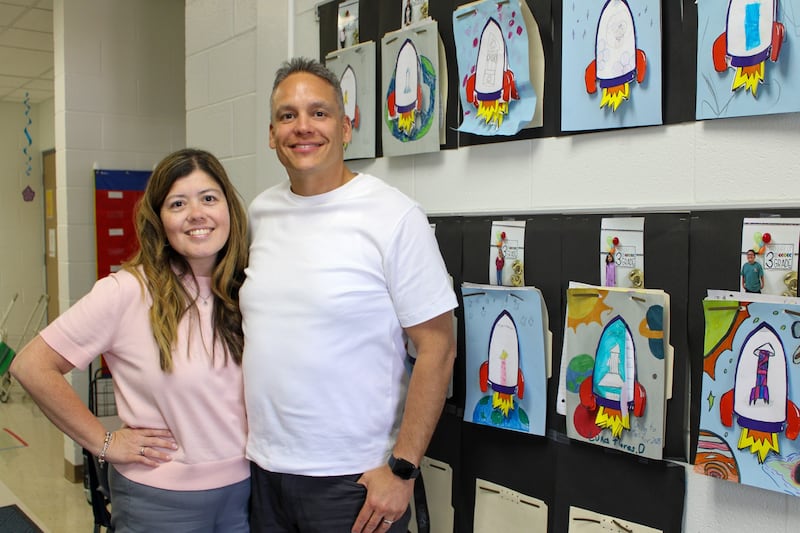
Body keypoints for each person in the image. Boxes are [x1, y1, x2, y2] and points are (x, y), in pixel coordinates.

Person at [241, 57, 458, 533]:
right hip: (263, 471)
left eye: (319, 113)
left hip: (354, 484)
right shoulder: (261, 212)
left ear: (345, 126)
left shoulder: (394, 216)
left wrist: (402, 469)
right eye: (287, 115)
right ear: (271, 133)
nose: (303, 127)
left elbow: (438, 346)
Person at [10, 149, 251, 532]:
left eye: (209, 198)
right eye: (177, 203)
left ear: (228, 209)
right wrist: (104, 442)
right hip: (158, 500)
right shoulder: (127, 291)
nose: (196, 214)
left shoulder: (246, 290)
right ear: (160, 220)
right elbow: (31, 365)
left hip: (246, 492)